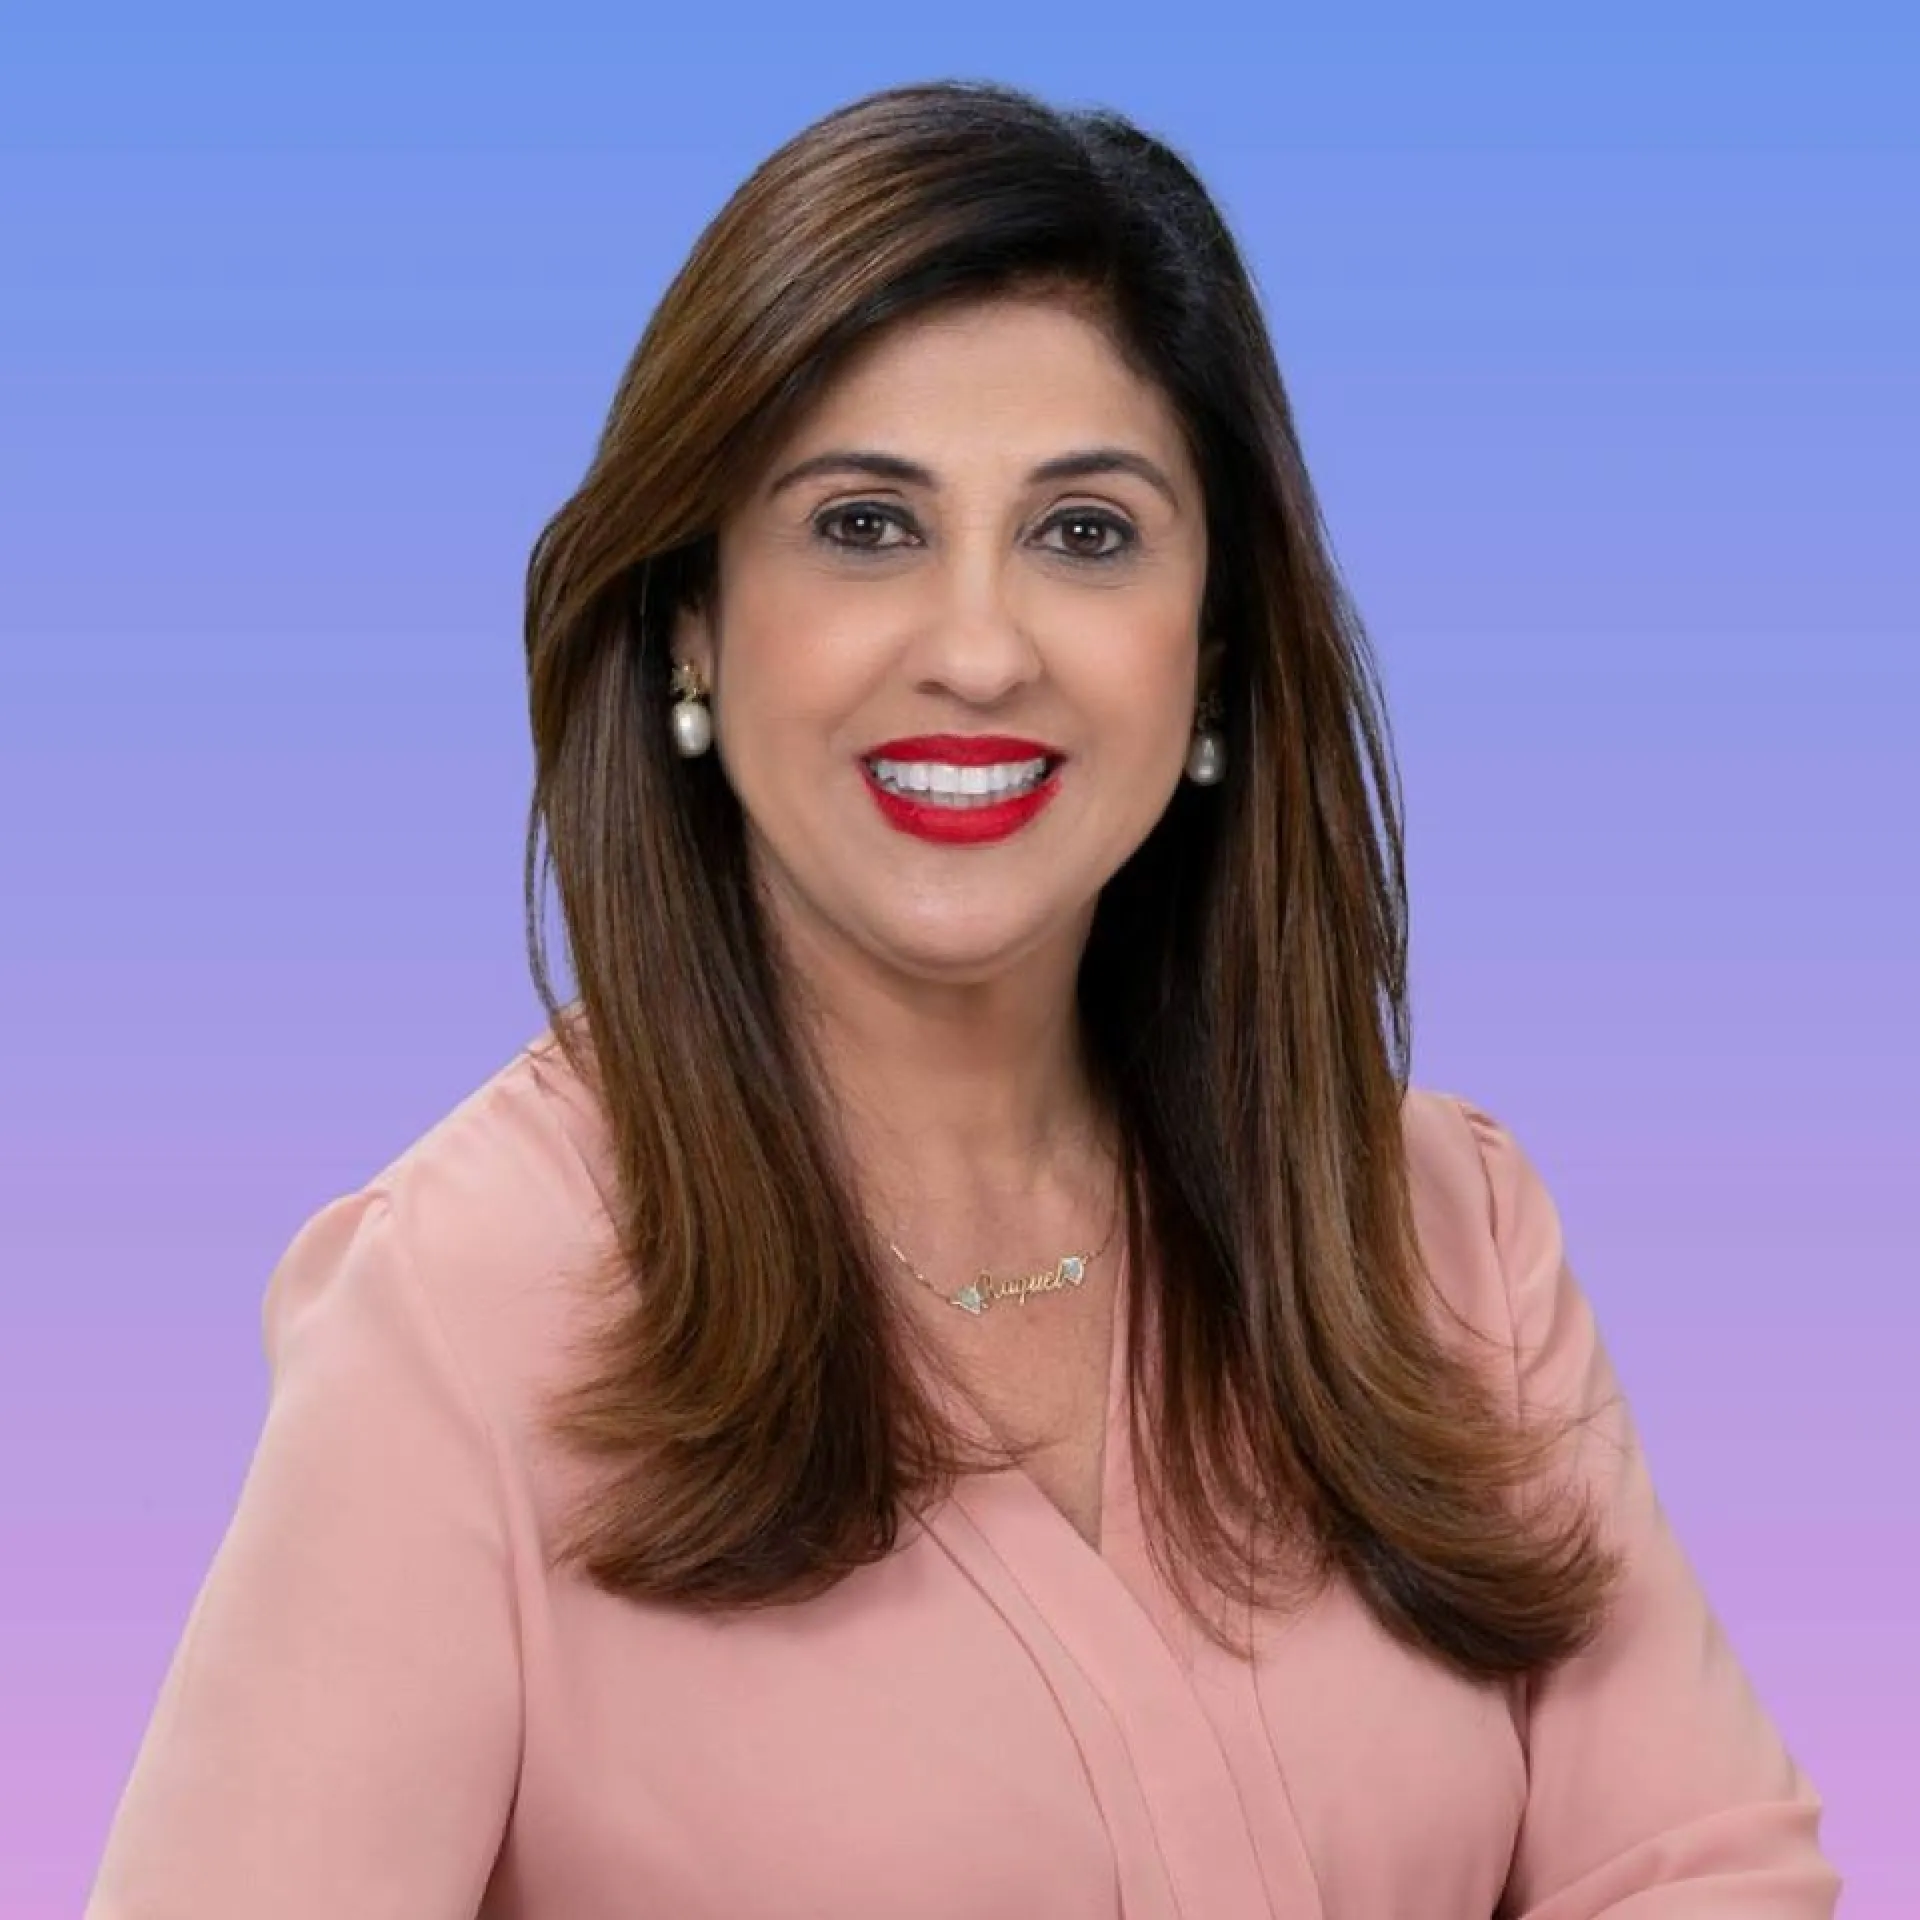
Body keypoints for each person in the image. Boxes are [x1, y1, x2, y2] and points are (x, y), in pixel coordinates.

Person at [87, 78, 1839, 1918]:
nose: (982, 650)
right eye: (865, 525)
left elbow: (1704, 1873)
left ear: (1214, 649)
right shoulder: (459, 1315)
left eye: (1085, 532)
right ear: (692, 622)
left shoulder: (1442, 1236)